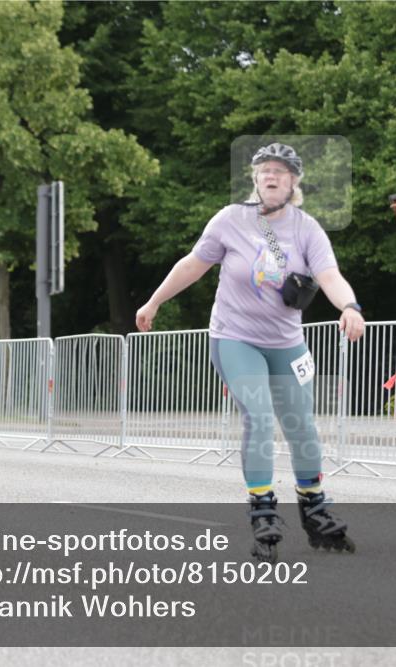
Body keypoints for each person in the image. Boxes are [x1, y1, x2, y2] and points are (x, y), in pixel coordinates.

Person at [135, 143, 365, 562]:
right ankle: (262, 508)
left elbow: (329, 274)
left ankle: (314, 505)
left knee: (302, 426)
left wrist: (349, 307)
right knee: (259, 417)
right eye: (263, 171)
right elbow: (193, 264)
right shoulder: (230, 220)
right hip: (235, 338)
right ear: (254, 180)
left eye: (279, 171)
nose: (271, 177)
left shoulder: (307, 229)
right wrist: (153, 303)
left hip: (288, 344)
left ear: (294, 181)